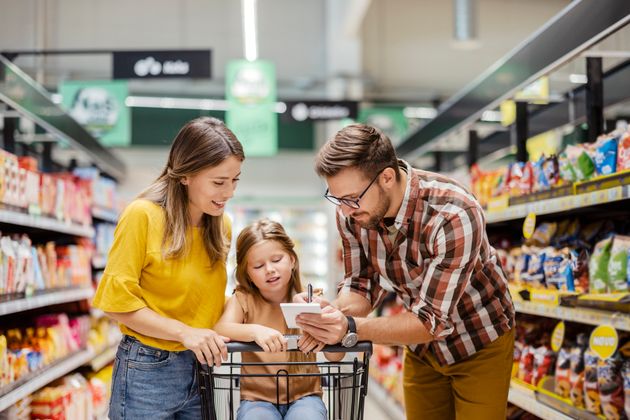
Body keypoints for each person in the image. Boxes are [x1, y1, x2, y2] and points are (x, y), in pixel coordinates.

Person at [295, 124, 515, 420]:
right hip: (421, 350)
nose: (345, 211)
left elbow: (431, 321)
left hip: (479, 338)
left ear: (386, 177)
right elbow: (361, 285)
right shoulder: (352, 213)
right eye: (338, 199)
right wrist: (331, 314)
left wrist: (349, 327)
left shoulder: (453, 213)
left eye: (351, 198)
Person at [92, 117, 245, 419]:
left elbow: (205, 300)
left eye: (235, 180)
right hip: (148, 370)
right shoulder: (143, 216)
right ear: (185, 174)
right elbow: (115, 303)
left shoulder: (221, 225)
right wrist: (185, 333)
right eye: (218, 182)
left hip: (204, 367)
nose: (229, 193)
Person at [214, 219, 334, 420]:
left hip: (306, 396)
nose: (269, 269)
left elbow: (335, 357)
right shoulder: (243, 299)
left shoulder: (311, 299)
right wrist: (255, 331)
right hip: (256, 400)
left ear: (292, 260)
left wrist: (326, 334)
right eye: (259, 265)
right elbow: (221, 328)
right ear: (248, 274)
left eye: (277, 260)